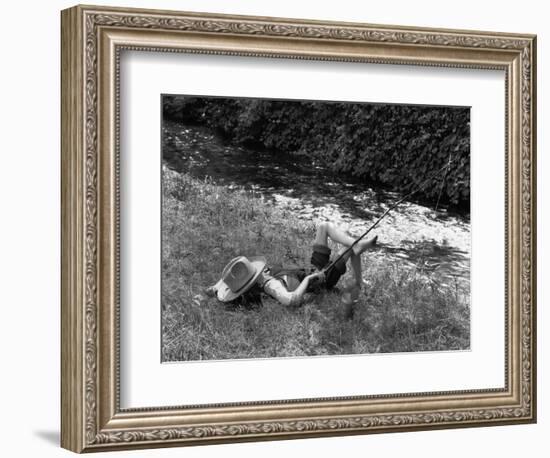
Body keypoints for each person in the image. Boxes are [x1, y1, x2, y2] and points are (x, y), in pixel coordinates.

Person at [205, 222, 378, 307]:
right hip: (321, 279)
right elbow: (292, 300)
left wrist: (208, 293)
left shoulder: (239, 276)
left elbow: (220, 284)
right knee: (348, 248)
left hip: (310, 267)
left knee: (324, 227)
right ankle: (358, 259)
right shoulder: (270, 285)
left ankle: (357, 246)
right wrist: (310, 279)